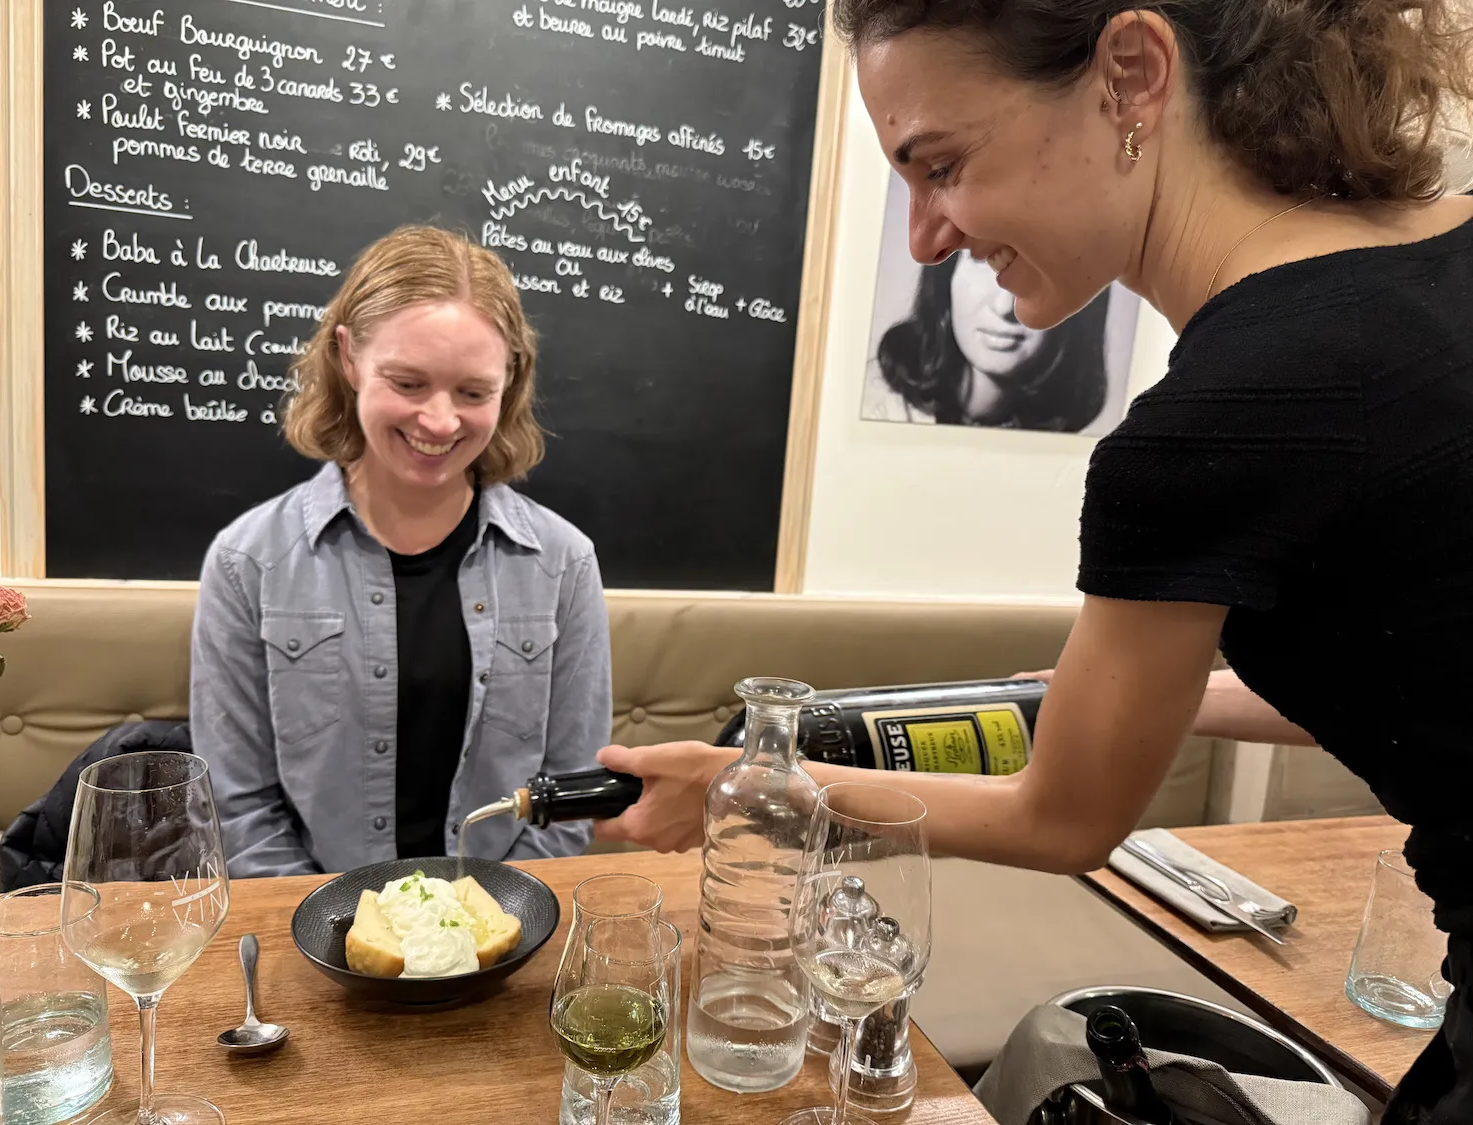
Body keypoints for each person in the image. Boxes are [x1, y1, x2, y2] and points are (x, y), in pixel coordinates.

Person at [591, 2, 1473, 1120]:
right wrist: (1182, 701)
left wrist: (750, 789)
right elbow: (1420, 660)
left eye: (941, 166)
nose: (924, 235)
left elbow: (1065, 824)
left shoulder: (1228, 417)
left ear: (1131, 76)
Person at [191, 225, 612, 877]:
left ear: (510, 382)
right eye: (408, 383)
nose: (440, 421)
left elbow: (571, 796)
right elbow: (240, 808)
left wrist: (484, 921)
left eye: (473, 392)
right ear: (349, 357)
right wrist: (343, 930)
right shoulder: (247, 562)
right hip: (314, 933)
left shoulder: (564, 563)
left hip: (503, 927)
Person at [872, 249, 1112, 430]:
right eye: (986, 259)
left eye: (1041, 270)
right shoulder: (873, 409)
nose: (1004, 305)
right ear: (946, 276)